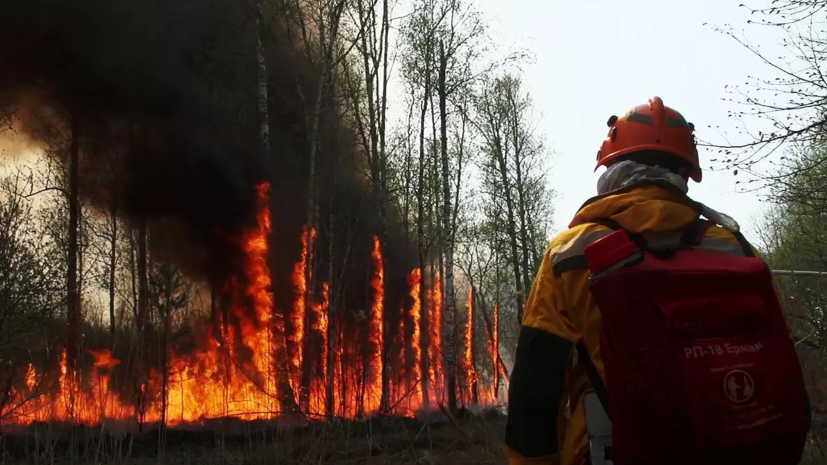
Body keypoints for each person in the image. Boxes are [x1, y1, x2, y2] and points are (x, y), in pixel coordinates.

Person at [504, 96, 810, 465]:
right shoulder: (737, 249)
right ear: (684, 173)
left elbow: (535, 390)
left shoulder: (571, 252)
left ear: (611, 169)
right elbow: (782, 361)